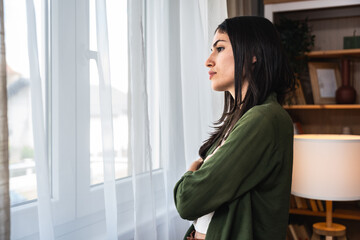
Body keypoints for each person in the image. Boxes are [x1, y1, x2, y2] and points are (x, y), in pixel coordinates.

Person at [173, 16, 296, 240]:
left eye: (219, 48)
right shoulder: (239, 120)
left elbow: (187, 201)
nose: (208, 61)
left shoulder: (265, 119)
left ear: (252, 54)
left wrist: (190, 174)